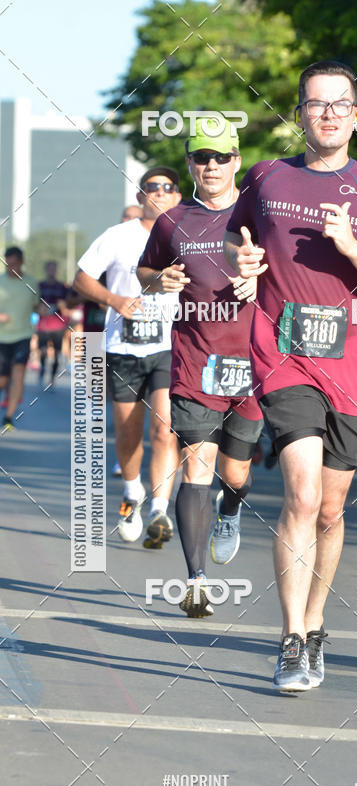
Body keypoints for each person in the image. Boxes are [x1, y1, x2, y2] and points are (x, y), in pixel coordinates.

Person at [224, 60, 357, 691]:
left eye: (340, 103)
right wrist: (244, 259)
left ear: (356, 116)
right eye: (315, 103)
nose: (328, 112)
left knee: (331, 511)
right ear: (299, 112)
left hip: (350, 368)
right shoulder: (267, 178)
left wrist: (352, 248)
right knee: (302, 496)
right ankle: (289, 641)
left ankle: (314, 625)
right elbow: (237, 240)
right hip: (283, 358)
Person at [137, 120, 263, 618]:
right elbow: (146, 271)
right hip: (195, 359)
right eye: (201, 158)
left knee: (236, 474)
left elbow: (290, 270)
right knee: (197, 466)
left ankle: (230, 511)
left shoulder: (261, 213)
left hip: (254, 361)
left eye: (221, 157)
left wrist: (262, 279)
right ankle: (195, 581)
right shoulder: (173, 220)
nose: (212, 166)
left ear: (236, 160)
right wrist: (159, 279)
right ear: (190, 163)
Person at [73, 167, 182, 547]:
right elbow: (82, 278)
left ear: (178, 197)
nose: (161, 193)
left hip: (169, 346)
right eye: (153, 187)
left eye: (170, 188)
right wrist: (115, 300)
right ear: (140, 197)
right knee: (128, 430)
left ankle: (160, 510)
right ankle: (133, 493)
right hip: (122, 347)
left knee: (164, 427)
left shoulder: (187, 237)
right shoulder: (117, 236)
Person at [0, 247, 38, 432]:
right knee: (2, 380)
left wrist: (44, 311)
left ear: (22, 262)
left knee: (18, 376)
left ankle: (8, 417)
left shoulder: (31, 282)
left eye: (14, 264)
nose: (10, 267)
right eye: (8, 264)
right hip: (2, 338)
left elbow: (36, 306)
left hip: (22, 336)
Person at [37, 260, 69, 388]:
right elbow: (34, 303)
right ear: (46, 270)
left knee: (56, 352)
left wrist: (63, 305)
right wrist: (40, 308)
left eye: (54, 268)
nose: (52, 271)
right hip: (43, 325)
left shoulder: (62, 287)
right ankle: (43, 369)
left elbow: (68, 304)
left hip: (58, 325)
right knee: (43, 351)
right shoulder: (40, 286)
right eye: (49, 268)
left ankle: (52, 378)